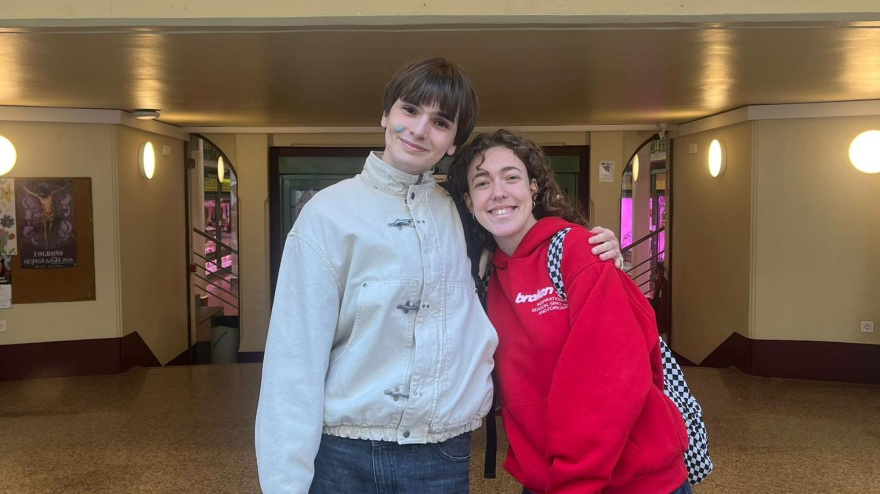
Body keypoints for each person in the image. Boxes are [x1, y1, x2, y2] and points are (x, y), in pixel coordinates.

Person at [255, 58, 622, 493]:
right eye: (410, 110)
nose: (419, 129)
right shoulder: (327, 215)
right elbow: (292, 362)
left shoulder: (463, 213)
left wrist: (593, 248)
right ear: (386, 114)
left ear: (452, 143)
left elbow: (524, 237)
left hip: (441, 453)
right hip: (344, 452)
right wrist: (285, 484)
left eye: (440, 121)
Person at [446, 130, 691, 494]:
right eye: (483, 183)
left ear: (533, 187)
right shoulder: (485, 278)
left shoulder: (578, 249)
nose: (498, 191)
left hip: (628, 480)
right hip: (549, 479)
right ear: (468, 202)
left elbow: (612, 378)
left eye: (511, 177)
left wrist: (573, 482)